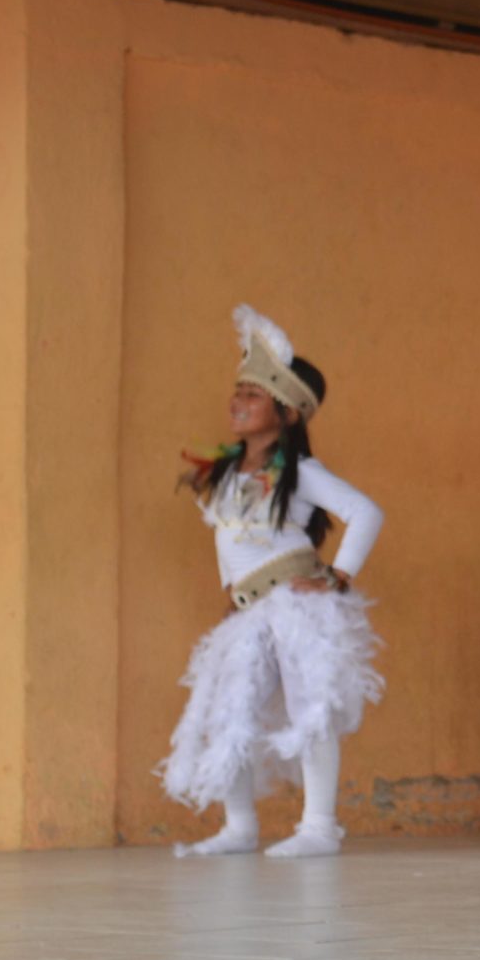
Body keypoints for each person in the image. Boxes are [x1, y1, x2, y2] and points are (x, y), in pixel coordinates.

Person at [162, 306, 384, 860]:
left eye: (253, 394)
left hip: (296, 604)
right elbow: (230, 545)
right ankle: (239, 826)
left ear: (286, 412)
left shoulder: (301, 474)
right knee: (230, 708)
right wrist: (232, 600)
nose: (237, 401)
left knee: (311, 706)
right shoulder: (228, 475)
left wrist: (337, 577)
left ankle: (319, 827)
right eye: (237, 390)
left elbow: (365, 512)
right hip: (250, 609)